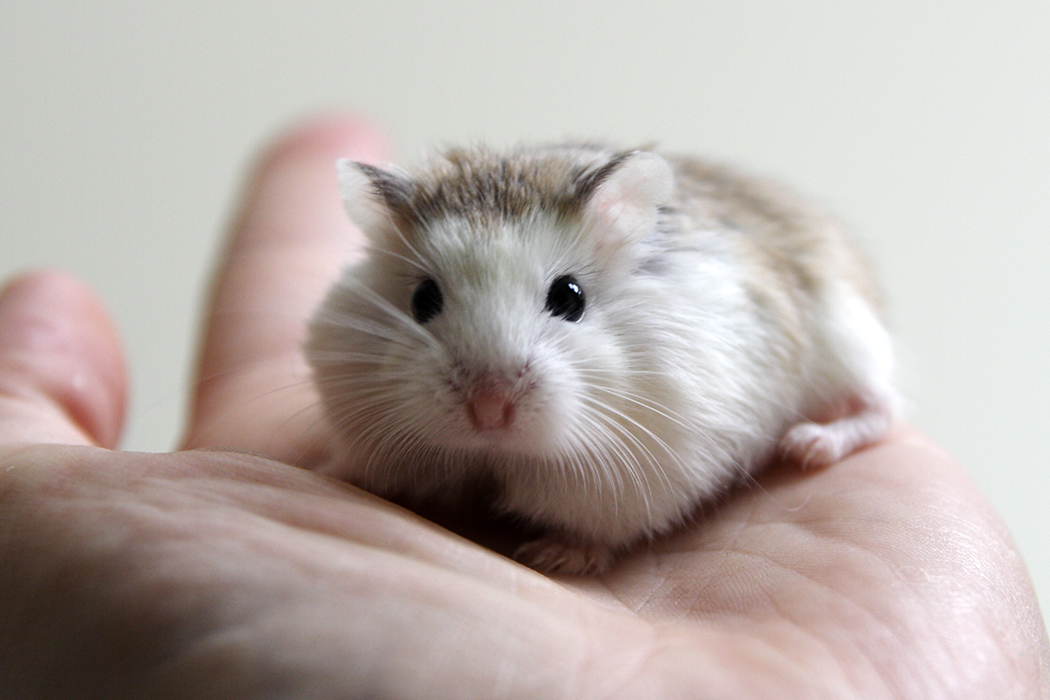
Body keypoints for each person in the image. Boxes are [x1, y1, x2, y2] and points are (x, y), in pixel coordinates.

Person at [0, 115, 1046, 699]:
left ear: (612, 243)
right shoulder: (358, 311)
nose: (492, 387)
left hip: (804, 294)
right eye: (428, 301)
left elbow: (677, 445)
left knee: (845, 343)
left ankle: (863, 404)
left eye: (563, 302)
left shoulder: (699, 312)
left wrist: (597, 530)